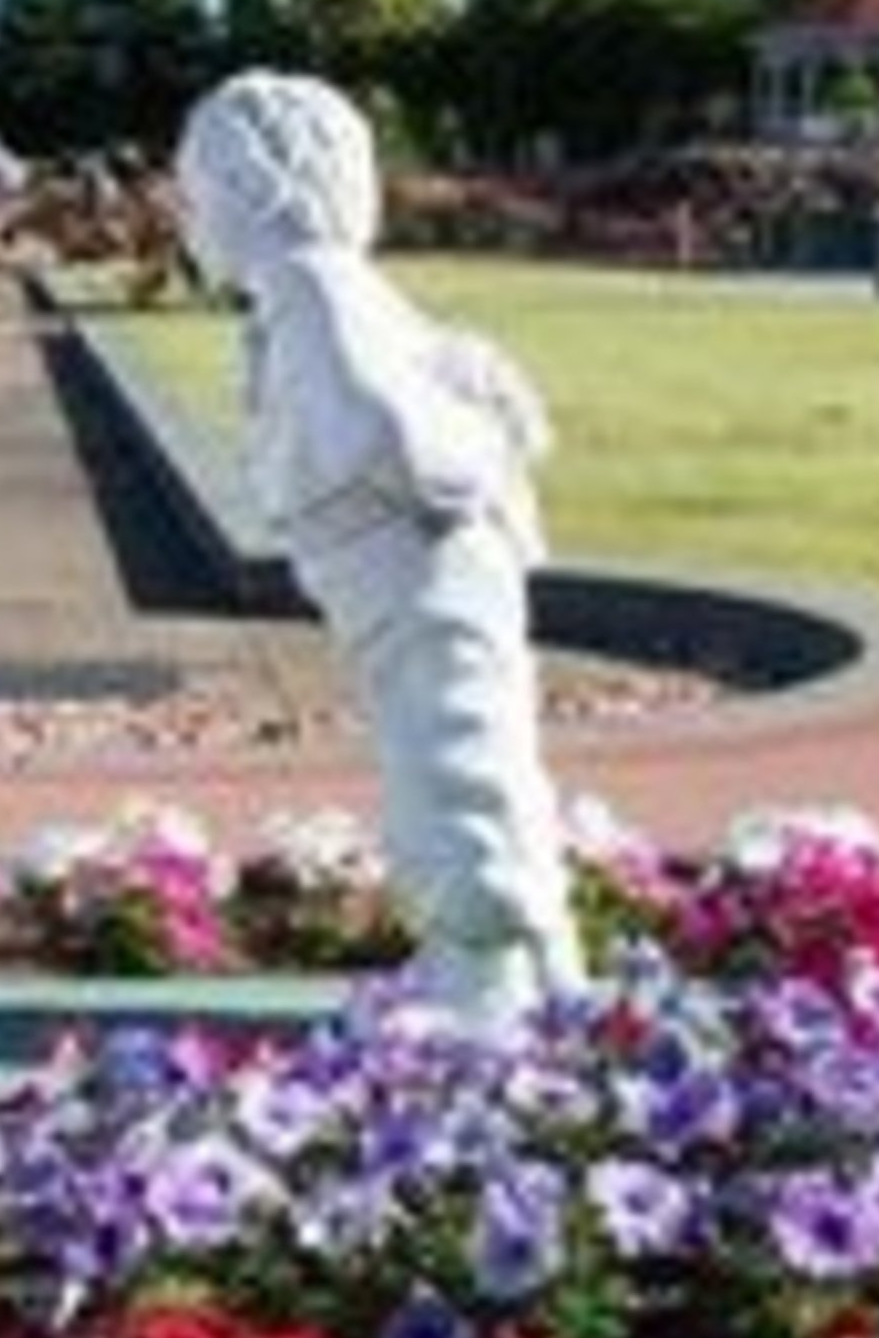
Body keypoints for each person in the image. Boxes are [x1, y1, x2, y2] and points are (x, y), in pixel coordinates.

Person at [172, 70, 591, 1032]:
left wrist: (458, 461)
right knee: (476, 744)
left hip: (416, 566)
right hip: (409, 569)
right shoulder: (330, 290)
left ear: (257, 194)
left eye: (196, 196)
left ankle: (481, 981)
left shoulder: (312, 290)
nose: (187, 220)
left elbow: (385, 424)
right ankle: (542, 967)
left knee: (447, 756)